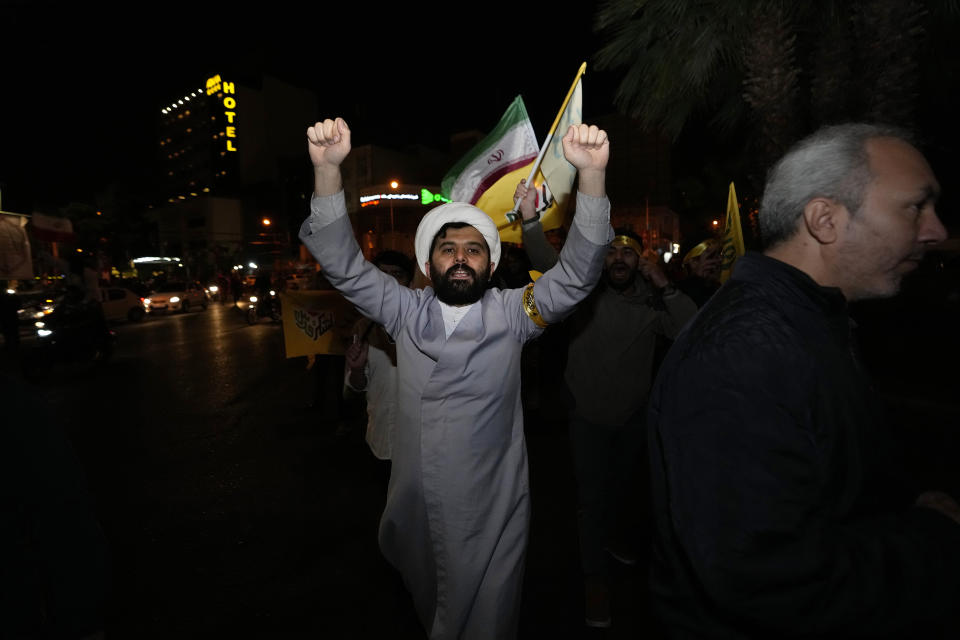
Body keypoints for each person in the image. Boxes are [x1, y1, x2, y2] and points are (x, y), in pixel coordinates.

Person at [300, 116, 611, 639]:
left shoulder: (517, 312)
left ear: (490, 268)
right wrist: (328, 171)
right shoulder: (402, 310)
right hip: (418, 504)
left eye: (473, 250)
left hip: (492, 509)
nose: (461, 258)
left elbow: (577, 276)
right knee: (432, 606)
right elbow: (346, 267)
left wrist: (593, 178)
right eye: (448, 249)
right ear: (430, 261)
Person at [647, 123, 960, 638]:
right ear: (825, 219)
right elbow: (768, 578)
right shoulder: (745, 351)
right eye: (914, 207)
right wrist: (929, 538)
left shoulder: (807, 320)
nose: (935, 231)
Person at [517, 181, 697, 628]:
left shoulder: (653, 302)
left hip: (633, 418)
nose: (619, 258)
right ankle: (595, 581)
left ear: (641, 261)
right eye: (613, 251)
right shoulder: (583, 292)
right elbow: (546, 262)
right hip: (587, 418)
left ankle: (614, 541)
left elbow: (691, 331)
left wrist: (666, 285)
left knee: (623, 492)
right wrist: (529, 220)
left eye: (629, 253)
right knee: (591, 500)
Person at [343, 250, 414, 482]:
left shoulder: (427, 325)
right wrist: (355, 369)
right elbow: (355, 387)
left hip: (423, 447)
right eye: (382, 274)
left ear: (410, 282)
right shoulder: (362, 329)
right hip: (381, 441)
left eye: (397, 274)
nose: (390, 281)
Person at [677, 237, 722, 307]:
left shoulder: (720, 284)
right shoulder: (680, 294)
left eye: (720, 253)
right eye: (712, 256)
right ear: (693, 262)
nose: (720, 259)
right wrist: (698, 281)